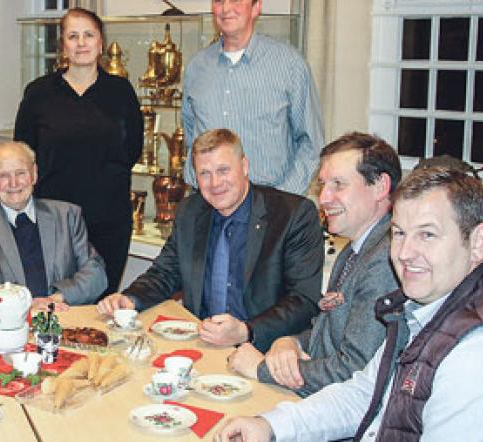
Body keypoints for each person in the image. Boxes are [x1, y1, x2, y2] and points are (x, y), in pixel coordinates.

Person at [214, 167, 483, 442]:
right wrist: (270, 426)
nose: (405, 253)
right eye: (399, 233)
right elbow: (365, 393)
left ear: (478, 243)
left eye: (427, 234)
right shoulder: (426, 307)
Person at [97, 129, 322, 351]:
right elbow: (165, 273)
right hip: (202, 344)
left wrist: (247, 331)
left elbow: (303, 300)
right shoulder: (190, 211)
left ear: (244, 166)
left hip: (264, 349)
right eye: (205, 173)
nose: (215, 183)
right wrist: (130, 299)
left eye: (223, 170)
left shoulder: (293, 215)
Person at [227, 132, 401, 396]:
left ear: (380, 186)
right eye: (323, 185)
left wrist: (263, 368)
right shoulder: (355, 248)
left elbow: (354, 372)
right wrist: (291, 342)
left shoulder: (386, 261)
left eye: (338, 185)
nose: (323, 198)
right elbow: (328, 332)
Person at [14, 7, 144, 296]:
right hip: (54, 219)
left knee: (102, 302)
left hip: (109, 218)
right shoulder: (38, 93)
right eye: (73, 36)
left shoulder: (120, 91)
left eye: (89, 35)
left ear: (100, 43)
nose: (81, 43)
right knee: (56, 299)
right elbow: (23, 151)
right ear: (62, 45)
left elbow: (134, 148)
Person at [182, 0, 322, 195]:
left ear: (256, 7)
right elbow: (191, 134)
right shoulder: (197, 67)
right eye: (219, 0)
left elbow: (311, 142)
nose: (226, 8)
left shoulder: (289, 65)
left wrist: (284, 198)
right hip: (209, 204)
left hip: (269, 204)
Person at [0, 141, 107, 311]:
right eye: (4, 175)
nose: (13, 183)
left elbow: (96, 274)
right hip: (8, 329)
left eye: (20, 173)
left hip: (64, 320)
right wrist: (23, 305)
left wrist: (54, 299)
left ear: (34, 174)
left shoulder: (67, 216)